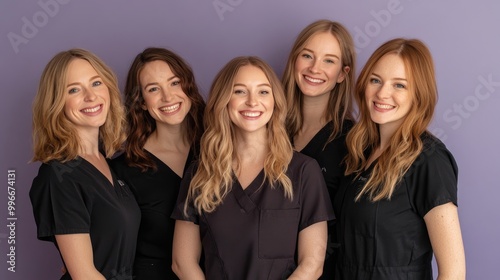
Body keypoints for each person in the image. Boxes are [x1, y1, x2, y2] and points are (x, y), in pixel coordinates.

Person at [171, 56, 333, 279]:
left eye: (263, 92)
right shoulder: (200, 174)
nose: (252, 102)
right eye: (239, 91)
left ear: (275, 101)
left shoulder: (304, 171)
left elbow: (312, 265)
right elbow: (183, 263)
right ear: (224, 100)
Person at [334, 38, 466, 279]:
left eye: (399, 85)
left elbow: (454, 272)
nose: (383, 93)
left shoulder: (429, 161)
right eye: (376, 80)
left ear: (418, 94)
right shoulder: (358, 153)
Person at [29, 48, 141, 280]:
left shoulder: (108, 164)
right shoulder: (59, 175)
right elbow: (85, 275)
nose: (91, 96)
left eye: (96, 83)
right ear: (56, 102)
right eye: (74, 90)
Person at [110, 47, 205, 280]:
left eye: (174, 83)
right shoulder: (122, 171)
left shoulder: (219, 149)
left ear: (188, 86)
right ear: (141, 102)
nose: (168, 96)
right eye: (153, 89)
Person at [282, 19, 356, 278]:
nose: (315, 68)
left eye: (329, 60)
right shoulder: (266, 126)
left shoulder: (354, 141)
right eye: (307, 56)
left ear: (343, 74)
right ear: (294, 61)